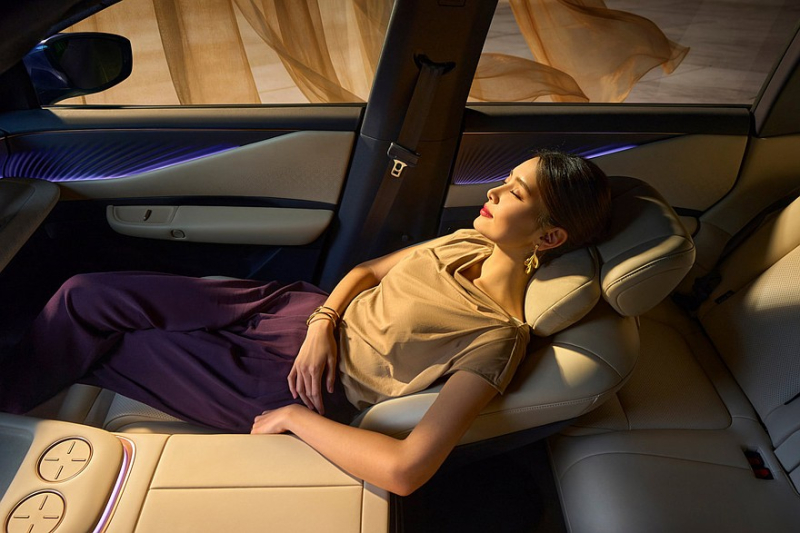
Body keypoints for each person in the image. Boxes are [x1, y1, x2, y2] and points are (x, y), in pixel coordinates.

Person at [0, 150, 611, 496]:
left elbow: (407, 470)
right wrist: (322, 320)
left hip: (300, 386)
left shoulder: (496, 337)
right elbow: (367, 271)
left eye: (515, 193)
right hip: (295, 312)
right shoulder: (467, 241)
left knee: (110, 348)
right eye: (504, 181)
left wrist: (294, 418)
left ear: (548, 237)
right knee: (83, 296)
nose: (494, 193)